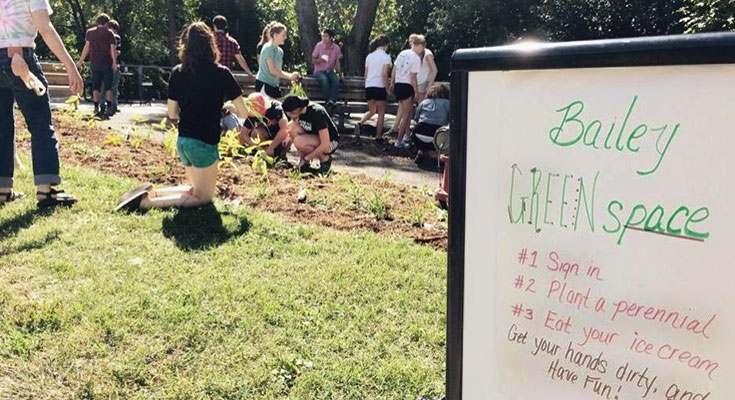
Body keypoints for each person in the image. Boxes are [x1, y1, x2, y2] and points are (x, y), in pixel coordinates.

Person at [115, 22, 248, 211]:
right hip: (205, 142)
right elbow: (243, 112)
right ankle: (147, 202)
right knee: (203, 198)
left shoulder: (178, 71)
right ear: (211, 44)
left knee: (195, 190)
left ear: (185, 45)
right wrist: (228, 108)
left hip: (184, 141)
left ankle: (153, 193)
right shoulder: (221, 73)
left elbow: (172, 113)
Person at [1, 0, 83, 207]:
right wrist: (70, 66)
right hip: (21, 60)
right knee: (41, 126)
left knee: (2, 128)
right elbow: (45, 29)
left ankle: (2, 189)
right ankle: (46, 191)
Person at [282, 95, 339, 173]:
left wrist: (307, 157)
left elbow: (325, 143)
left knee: (299, 141)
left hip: (330, 141)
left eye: (291, 112)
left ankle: (324, 159)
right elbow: (292, 125)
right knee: (292, 129)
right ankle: (303, 163)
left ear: (298, 108)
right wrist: (287, 138)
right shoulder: (298, 114)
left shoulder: (317, 112)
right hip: (313, 137)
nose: (289, 115)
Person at [77, 13, 118, 116]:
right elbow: (112, 49)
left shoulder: (90, 32)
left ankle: (96, 107)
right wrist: (114, 62)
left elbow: (87, 47)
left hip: (95, 63)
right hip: (107, 63)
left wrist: (81, 61)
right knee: (108, 87)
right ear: (107, 23)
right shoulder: (109, 33)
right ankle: (109, 107)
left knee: (96, 86)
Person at [355, 34, 391, 144]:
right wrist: (388, 89)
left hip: (369, 86)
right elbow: (384, 74)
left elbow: (366, 73)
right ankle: (378, 136)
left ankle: (360, 123)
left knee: (372, 110)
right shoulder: (386, 57)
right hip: (379, 86)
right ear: (385, 45)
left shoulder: (369, 57)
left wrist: (367, 83)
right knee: (381, 112)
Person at [389, 35, 422, 148]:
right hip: (407, 86)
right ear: (418, 45)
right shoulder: (416, 58)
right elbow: (413, 77)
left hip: (398, 85)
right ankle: (399, 140)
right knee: (407, 114)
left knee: (405, 112)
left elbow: (394, 69)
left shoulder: (402, 53)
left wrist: (392, 82)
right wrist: (416, 92)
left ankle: (407, 135)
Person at [256, 23, 300, 99]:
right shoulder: (268, 48)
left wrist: (292, 76)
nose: (285, 37)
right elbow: (272, 70)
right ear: (275, 35)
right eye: (283, 35)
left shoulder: (280, 51)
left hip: (274, 86)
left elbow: (278, 71)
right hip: (264, 85)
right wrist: (290, 76)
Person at [239, 92, 290, 159]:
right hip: (266, 135)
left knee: (291, 133)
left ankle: (282, 154)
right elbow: (243, 134)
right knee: (256, 132)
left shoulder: (276, 109)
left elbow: (285, 129)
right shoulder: (252, 113)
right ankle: (265, 154)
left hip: (281, 136)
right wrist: (257, 147)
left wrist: (272, 147)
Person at [411, 83, 450, 164]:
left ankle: (421, 151)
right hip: (436, 137)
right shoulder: (448, 104)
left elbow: (416, 119)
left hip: (418, 134)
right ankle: (439, 154)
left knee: (421, 131)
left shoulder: (423, 102)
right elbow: (451, 120)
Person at [311, 29, 341, 108]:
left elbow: (337, 62)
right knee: (324, 80)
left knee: (336, 80)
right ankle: (328, 102)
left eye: (326, 36)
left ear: (331, 38)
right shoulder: (319, 46)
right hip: (319, 71)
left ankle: (332, 100)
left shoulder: (336, 48)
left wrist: (340, 74)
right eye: (323, 36)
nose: (324, 38)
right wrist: (320, 60)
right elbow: (313, 60)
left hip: (330, 71)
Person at [414, 35, 437, 103]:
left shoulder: (427, 54)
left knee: (421, 104)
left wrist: (429, 84)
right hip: (416, 82)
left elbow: (434, 70)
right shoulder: (416, 53)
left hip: (423, 83)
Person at [106, 19, 122, 112]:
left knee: (106, 87)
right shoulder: (117, 38)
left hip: (106, 64)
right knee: (114, 87)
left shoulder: (108, 37)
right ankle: (114, 104)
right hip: (116, 64)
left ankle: (106, 105)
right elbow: (118, 51)